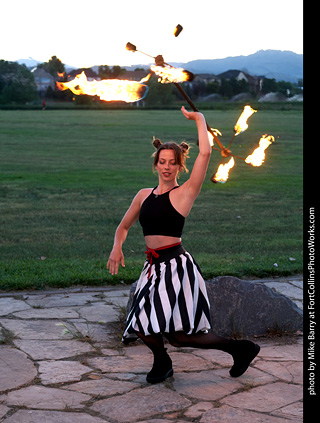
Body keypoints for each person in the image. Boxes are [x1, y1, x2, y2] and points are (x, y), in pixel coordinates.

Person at [107, 106, 260, 384]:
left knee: (179, 336)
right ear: (155, 164)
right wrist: (117, 247)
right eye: (162, 161)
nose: (166, 167)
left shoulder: (185, 192)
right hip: (152, 267)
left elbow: (205, 153)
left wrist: (199, 119)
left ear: (180, 165)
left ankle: (240, 349)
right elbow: (123, 226)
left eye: (172, 162)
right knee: (140, 322)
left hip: (176, 267)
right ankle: (162, 362)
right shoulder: (143, 195)